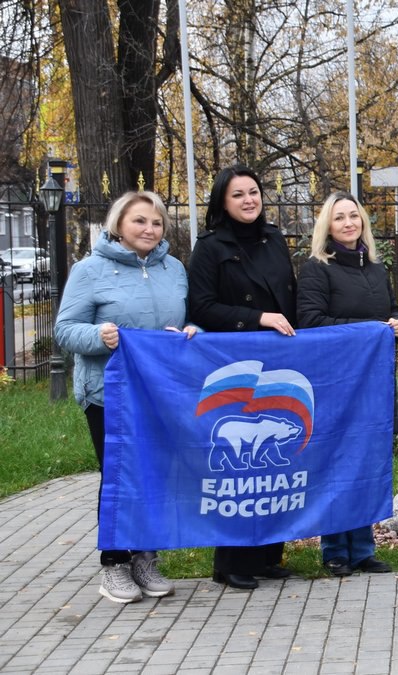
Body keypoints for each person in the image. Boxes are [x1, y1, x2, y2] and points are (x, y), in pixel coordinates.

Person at [55, 191, 198, 603]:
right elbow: (66, 330)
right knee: (119, 475)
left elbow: (187, 320)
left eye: (156, 223)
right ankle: (113, 564)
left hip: (159, 393)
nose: (149, 229)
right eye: (139, 221)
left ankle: (145, 559)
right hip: (108, 392)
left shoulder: (173, 269)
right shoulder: (89, 270)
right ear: (119, 224)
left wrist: (192, 333)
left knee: (154, 474)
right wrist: (100, 336)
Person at [187, 165, 297, 590]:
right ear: (223, 202)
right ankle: (230, 561)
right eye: (239, 195)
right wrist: (258, 318)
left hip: (279, 362)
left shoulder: (275, 241)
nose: (249, 200)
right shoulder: (211, 247)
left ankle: (268, 556)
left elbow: (289, 297)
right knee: (238, 472)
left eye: (254, 192)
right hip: (234, 365)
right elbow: (201, 307)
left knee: (273, 465)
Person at [297, 191, 398, 577]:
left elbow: (388, 312)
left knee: (366, 461)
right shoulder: (316, 268)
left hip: (372, 382)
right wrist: (367, 331)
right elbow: (308, 321)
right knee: (336, 463)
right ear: (327, 225)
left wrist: (397, 324)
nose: (348, 223)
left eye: (353, 216)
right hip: (333, 381)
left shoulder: (375, 269)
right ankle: (334, 550)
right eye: (339, 217)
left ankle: (362, 548)